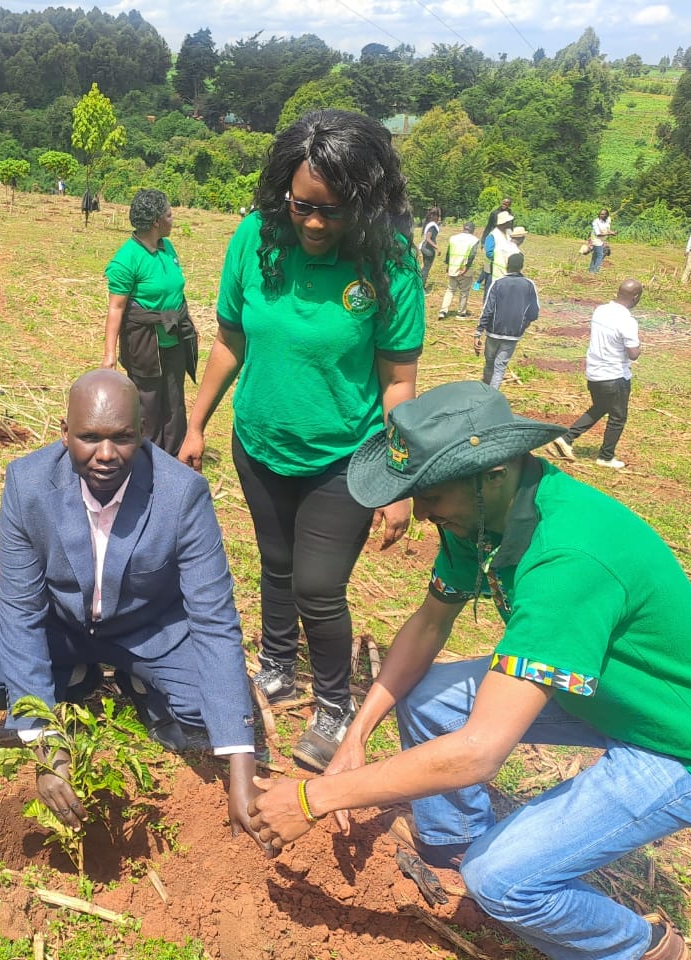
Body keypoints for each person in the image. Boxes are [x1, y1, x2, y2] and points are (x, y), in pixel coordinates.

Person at [248, 381, 691, 960]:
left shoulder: (567, 559)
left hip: (688, 744)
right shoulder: (482, 519)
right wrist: (358, 734)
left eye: (431, 495)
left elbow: (479, 751)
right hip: (602, 692)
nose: (420, 513)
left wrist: (315, 799)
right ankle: (455, 843)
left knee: (503, 881)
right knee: (426, 698)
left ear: (492, 471)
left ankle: (641, 948)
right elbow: (428, 624)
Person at [178, 109, 424, 772]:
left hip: (344, 457)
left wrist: (399, 479)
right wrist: (197, 422)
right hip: (258, 444)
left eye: (333, 211)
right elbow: (230, 340)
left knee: (319, 585)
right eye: (302, 207)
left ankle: (335, 705)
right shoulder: (255, 240)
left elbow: (398, 382)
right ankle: (277, 666)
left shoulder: (390, 262)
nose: (314, 224)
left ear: (366, 204)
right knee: (275, 563)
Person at [0, 369, 265, 846]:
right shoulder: (28, 485)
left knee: (206, 714)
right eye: (89, 438)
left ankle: (141, 682)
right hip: (60, 625)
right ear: (65, 433)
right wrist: (47, 748)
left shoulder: (182, 495)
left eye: (122, 438)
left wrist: (242, 770)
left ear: (144, 432)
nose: (106, 455)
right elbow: (22, 613)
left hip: (147, 629)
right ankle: (74, 679)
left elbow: (213, 620)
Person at [102, 188, 197, 456]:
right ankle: (147, 458)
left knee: (175, 402)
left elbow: (175, 289)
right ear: (156, 221)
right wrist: (109, 355)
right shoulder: (126, 259)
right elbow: (116, 309)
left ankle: (174, 458)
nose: (172, 218)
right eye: (168, 214)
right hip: (145, 344)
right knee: (149, 404)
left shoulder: (168, 248)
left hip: (174, 337)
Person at [550, 279, 643, 470]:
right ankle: (606, 456)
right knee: (618, 418)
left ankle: (566, 438)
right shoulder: (628, 321)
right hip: (614, 376)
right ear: (636, 298)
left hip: (594, 373)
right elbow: (633, 354)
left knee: (600, 407)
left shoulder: (600, 310)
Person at [475, 252, 539, 390]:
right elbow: (534, 312)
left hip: (493, 332)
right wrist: (524, 325)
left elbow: (488, 309)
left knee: (489, 363)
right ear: (522, 266)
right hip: (513, 334)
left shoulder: (497, 283)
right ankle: (491, 396)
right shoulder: (529, 285)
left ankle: (485, 391)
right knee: (500, 368)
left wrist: (478, 332)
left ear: (507, 266)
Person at [437, 222, 478, 319]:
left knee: (450, 290)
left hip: (452, 268)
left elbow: (448, 253)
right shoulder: (474, 240)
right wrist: (466, 268)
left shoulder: (453, 238)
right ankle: (461, 313)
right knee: (464, 291)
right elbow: (472, 255)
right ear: (472, 230)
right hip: (464, 270)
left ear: (463, 228)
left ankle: (443, 311)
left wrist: (448, 265)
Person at [490, 220, 523, 285]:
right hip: (507, 283)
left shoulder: (499, 246)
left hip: (495, 280)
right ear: (521, 238)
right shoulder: (516, 253)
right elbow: (515, 273)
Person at [419, 207, 441, 288]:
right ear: (434, 216)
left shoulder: (429, 224)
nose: (439, 217)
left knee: (424, 267)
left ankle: (418, 284)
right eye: (438, 215)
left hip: (425, 247)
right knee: (426, 268)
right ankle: (421, 287)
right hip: (428, 249)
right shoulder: (433, 226)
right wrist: (436, 247)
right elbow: (428, 239)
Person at [588, 208, 615, 273]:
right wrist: (609, 233)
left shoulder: (608, 219)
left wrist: (612, 232)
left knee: (595, 254)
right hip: (595, 238)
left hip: (602, 239)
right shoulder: (596, 222)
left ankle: (591, 270)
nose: (601, 215)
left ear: (607, 215)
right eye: (600, 214)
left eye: (603, 214)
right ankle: (596, 271)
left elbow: (608, 229)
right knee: (600, 254)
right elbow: (598, 234)